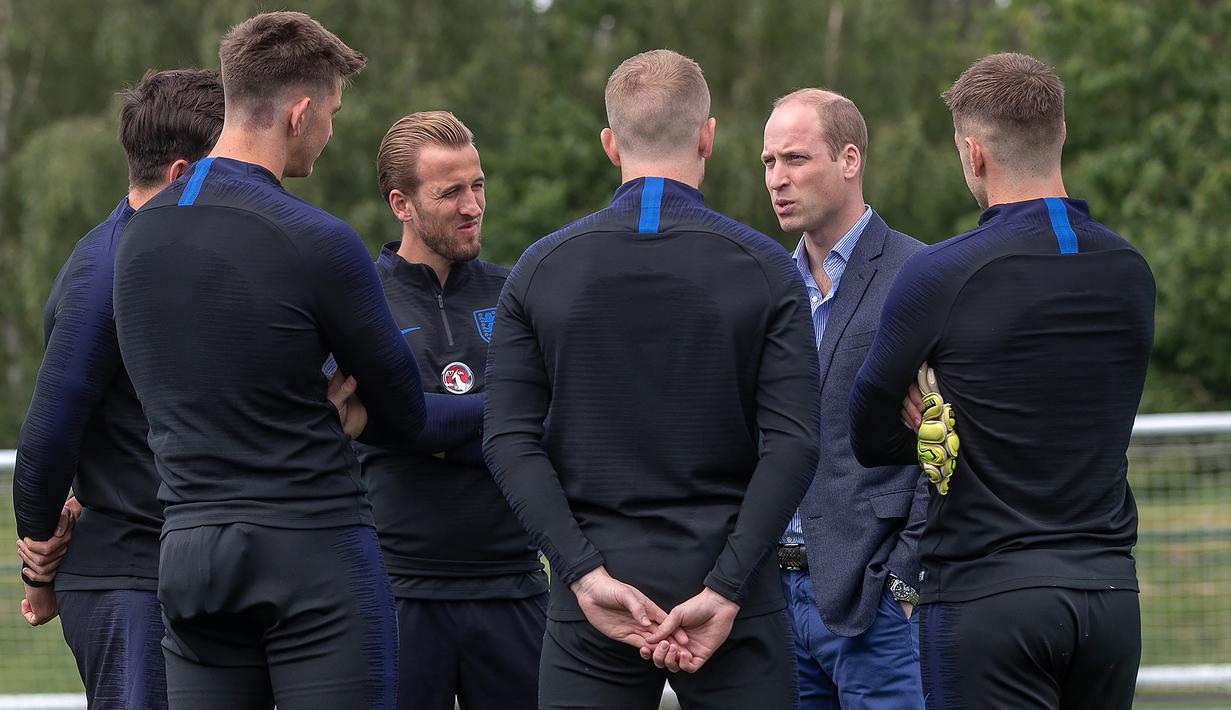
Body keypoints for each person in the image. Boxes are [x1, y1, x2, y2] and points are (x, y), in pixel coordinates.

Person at [113, 12, 438, 709]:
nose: (329, 130)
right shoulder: (314, 238)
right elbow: (406, 414)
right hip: (308, 551)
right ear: (299, 112)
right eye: (331, 113)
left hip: (190, 556)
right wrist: (335, 418)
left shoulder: (136, 238)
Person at [483, 49, 820, 709]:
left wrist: (582, 574)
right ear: (707, 136)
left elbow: (507, 439)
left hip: (595, 596)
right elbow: (795, 444)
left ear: (610, 144)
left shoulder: (540, 268)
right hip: (735, 591)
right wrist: (724, 587)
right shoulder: (763, 268)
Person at [850, 52, 1153, 709]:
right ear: (1061, 133)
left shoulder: (941, 274)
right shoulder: (1130, 270)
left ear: (973, 153)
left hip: (988, 599)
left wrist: (931, 426)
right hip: (1107, 600)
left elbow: (867, 435)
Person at [11, 68, 225, 709]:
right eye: (236, 168)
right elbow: (46, 439)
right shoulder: (105, 276)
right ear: (183, 173)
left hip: (196, 564)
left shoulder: (181, 257)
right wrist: (37, 564)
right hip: (132, 581)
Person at [362, 111, 547, 710]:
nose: (473, 205)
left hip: (515, 586)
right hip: (399, 590)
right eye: (451, 192)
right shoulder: (359, 297)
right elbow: (395, 423)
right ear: (402, 203)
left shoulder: (516, 291)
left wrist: (423, 427)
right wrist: (500, 422)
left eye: (478, 185)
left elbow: (545, 422)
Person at [762, 88, 927, 709]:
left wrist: (904, 582)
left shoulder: (919, 273)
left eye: (795, 159)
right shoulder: (770, 284)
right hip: (778, 597)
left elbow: (949, 441)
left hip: (875, 602)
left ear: (850, 159)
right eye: (769, 163)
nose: (778, 179)